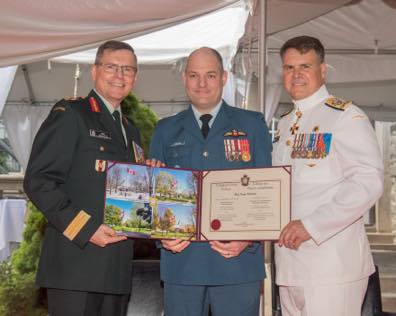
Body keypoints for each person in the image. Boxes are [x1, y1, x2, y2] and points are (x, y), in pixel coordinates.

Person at [23, 40, 144, 316]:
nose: (119, 76)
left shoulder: (131, 130)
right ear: (95, 71)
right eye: (112, 67)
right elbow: (38, 181)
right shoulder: (71, 114)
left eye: (127, 70)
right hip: (75, 267)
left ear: (135, 78)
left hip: (115, 269)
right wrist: (85, 229)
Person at [149, 47, 272, 316]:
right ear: (184, 78)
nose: (202, 84)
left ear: (224, 77)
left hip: (237, 263)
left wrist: (249, 239)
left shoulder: (252, 125)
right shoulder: (165, 130)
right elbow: (154, 196)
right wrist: (162, 237)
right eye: (194, 75)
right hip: (182, 263)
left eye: (210, 75)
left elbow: (266, 190)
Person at [273, 35, 384, 316]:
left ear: (322, 71)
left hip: (332, 266)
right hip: (289, 265)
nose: (296, 75)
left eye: (305, 67)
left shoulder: (346, 117)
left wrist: (311, 225)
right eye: (289, 68)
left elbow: (368, 182)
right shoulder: (286, 124)